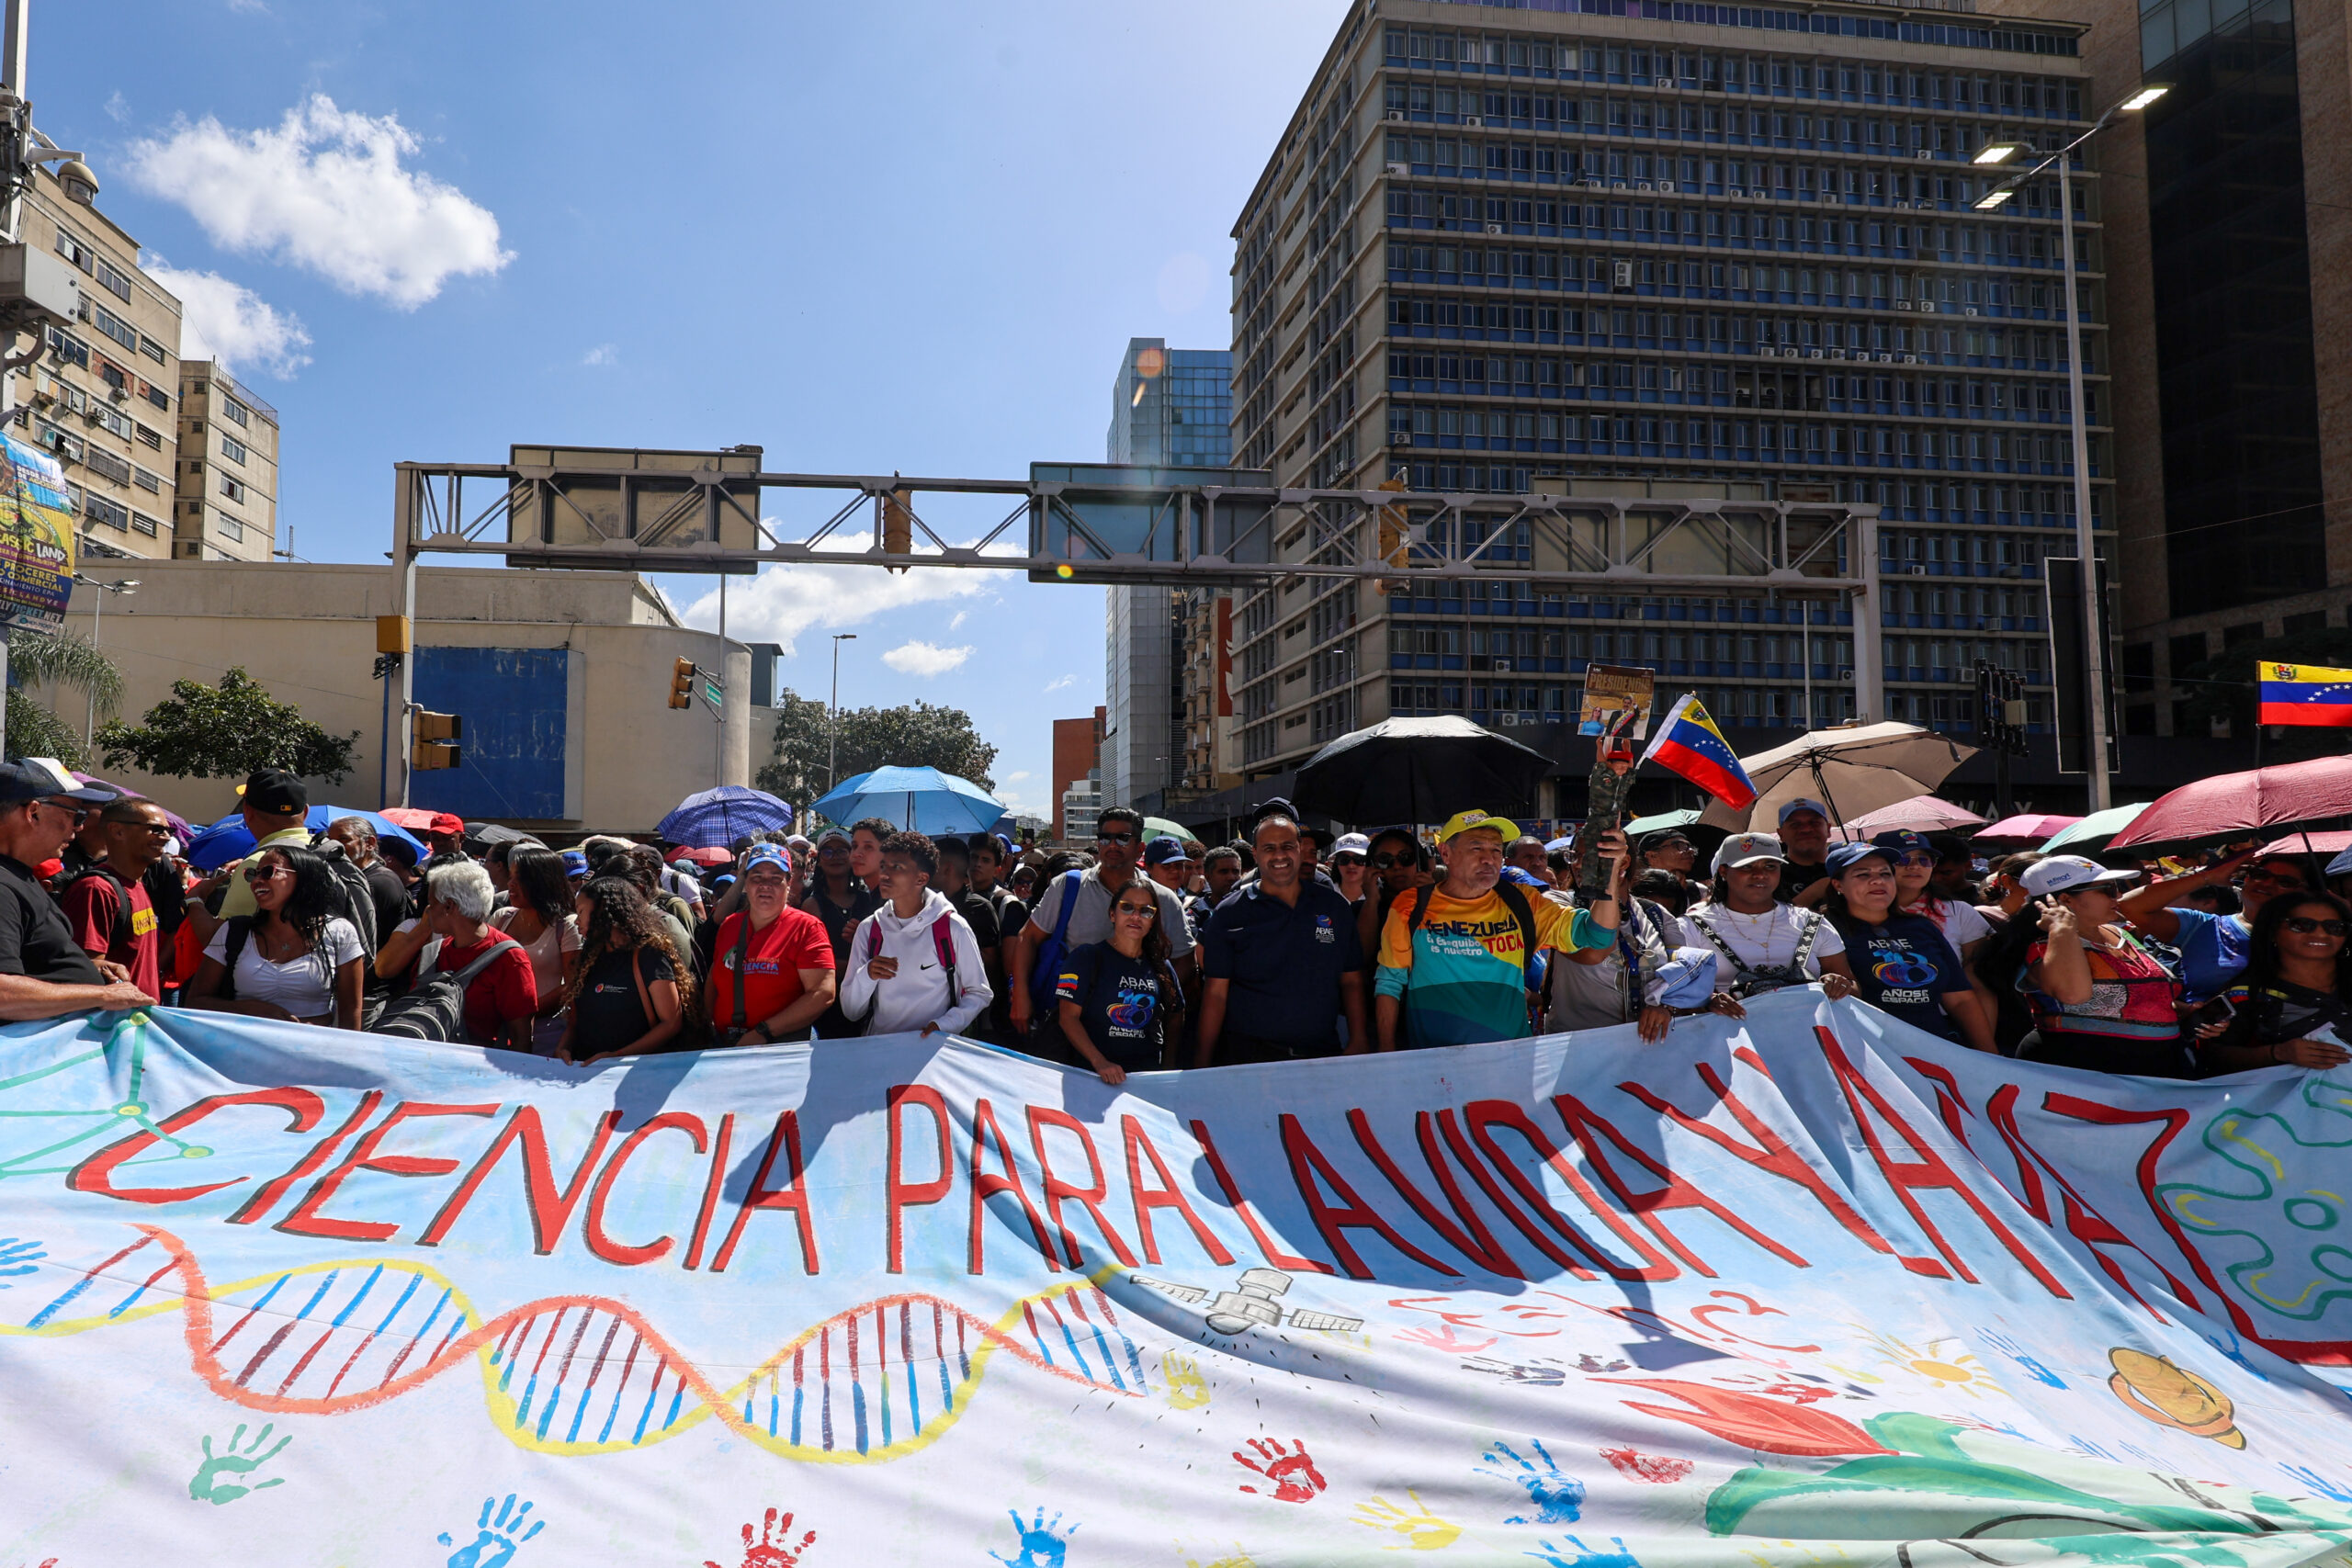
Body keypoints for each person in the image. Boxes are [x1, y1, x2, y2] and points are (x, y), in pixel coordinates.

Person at [1375, 809, 1616, 1051]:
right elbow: (1389, 984)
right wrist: (1386, 1056)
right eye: (1476, 848)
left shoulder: (1523, 902)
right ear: (1445, 853)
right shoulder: (1411, 905)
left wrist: (1609, 871)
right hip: (1434, 1064)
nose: (1488, 859)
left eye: (1496, 850)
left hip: (1510, 1063)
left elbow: (1596, 936)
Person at [1970, 854, 2188, 1077]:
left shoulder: (2121, 933)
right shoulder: (2044, 945)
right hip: (2085, 1070)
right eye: (2108, 889)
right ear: (2066, 900)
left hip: (2160, 1062)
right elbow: (2073, 994)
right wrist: (2062, 929)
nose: (2119, 896)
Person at [1008, 807, 1196, 1042]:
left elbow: (1186, 961)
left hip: (1133, 1025)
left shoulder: (1164, 899)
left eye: (1123, 838)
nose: (1113, 844)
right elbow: (1028, 938)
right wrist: (1021, 995)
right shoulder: (1068, 886)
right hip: (1070, 1023)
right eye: (1105, 837)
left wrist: (1149, 994)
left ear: (1140, 848)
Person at [1195, 812, 1368, 1065]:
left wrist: (1359, 1038)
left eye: (1287, 846)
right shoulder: (1230, 912)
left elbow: (1351, 981)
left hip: (1321, 1054)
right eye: (1269, 848)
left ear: (1299, 849)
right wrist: (1202, 1062)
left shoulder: (1334, 907)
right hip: (1249, 1059)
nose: (1279, 855)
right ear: (1255, 854)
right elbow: (1216, 994)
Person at [0, 760, 149, 1018]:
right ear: (33, 812)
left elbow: (32, 959)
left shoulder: (19, 875)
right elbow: (3, 994)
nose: (78, 827)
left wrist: (91, 968)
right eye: (74, 815)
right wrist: (102, 995)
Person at [1819, 841, 1995, 1051]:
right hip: (1870, 1054)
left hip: (1936, 1049)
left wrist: (1991, 1056)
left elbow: (1959, 999)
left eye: (1885, 874)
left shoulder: (1922, 926)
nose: (1877, 881)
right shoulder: (1823, 929)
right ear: (1838, 885)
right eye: (1863, 875)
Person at [190, 844, 365, 1030]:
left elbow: (351, 1010)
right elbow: (195, 1001)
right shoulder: (233, 931)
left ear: (304, 878)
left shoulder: (340, 932)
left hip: (311, 1051)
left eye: (268, 872)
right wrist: (245, 1009)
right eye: (252, 874)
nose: (256, 881)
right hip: (245, 1050)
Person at [1679, 832, 1856, 1012]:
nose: (1760, 875)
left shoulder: (1811, 922)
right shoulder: (1691, 927)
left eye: (1770, 866)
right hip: (1735, 1036)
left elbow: (1853, 988)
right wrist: (1708, 1002)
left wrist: (1839, 985)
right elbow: (1677, 996)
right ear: (1723, 871)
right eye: (1746, 867)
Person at [2120, 846, 2315, 1007]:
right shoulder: (2202, 925)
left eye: (2285, 882)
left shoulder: (2318, 934)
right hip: (2209, 1044)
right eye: (2260, 874)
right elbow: (2129, 906)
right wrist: (2208, 877)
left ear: (2304, 891)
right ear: (2246, 878)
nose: (2267, 883)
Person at [840, 831, 991, 1037]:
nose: (885, 874)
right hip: (879, 1053)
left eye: (897, 867)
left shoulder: (953, 927)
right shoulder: (869, 929)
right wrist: (867, 974)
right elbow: (851, 1012)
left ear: (921, 878)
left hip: (932, 1054)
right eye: (883, 865)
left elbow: (979, 992)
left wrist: (944, 1025)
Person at [2196, 891, 2352, 1076]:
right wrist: (2278, 1053)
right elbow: (2212, 1057)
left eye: (2334, 927)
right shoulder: (2242, 994)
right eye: (2302, 925)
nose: (2320, 934)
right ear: (2271, 931)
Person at [395, 859, 539, 1050]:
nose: (427, 911)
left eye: (431, 903)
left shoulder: (509, 958)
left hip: (481, 1071)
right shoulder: (433, 952)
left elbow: (521, 1036)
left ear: (449, 906)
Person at [1543, 829, 1674, 1038]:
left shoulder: (1656, 914)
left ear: (1623, 863)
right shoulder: (1556, 903)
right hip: (1579, 1049)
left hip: (1645, 1050)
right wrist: (1609, 881)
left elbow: (1682, 971)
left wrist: (1668, 1007)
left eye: (1590, 858)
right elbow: (1591, 952)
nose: (1577, 865)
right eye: (1574, 856)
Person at [707, 844, 837, 1045]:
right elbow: (714, 978)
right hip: (726, 1044)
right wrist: (707, 1023)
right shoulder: (730, 925)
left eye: (776, 878)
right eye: (757, 877)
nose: (765, 885)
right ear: (746, 883)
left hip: (780, 1045)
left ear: (789, 883)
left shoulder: (807, 928)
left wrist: (763, 1032)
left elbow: (823, 993)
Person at [1055, 881, 1182, 1083]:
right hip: (1091, 1077)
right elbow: (1068, 1017)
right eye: (1127, 907)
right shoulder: (1086, 957)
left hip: (1144, 1081)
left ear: (1153, 919)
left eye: (1146, 911)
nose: (1135, 916)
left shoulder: (1162, 967)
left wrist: (1166, 1070)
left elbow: (1176, 1016)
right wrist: (1100, 1063)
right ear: (1112, 914)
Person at [560, 877, 692, 1062]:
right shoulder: (587, 957)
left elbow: (671, 1022)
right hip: (585, 1075)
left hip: (634, 1076)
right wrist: (563, 1048)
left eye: (581, 912)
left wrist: (618, 1056)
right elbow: (575, 1023)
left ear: (603, 911)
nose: (576, 922)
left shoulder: (649, 955)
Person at [61, 796, 173, 1003]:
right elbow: (86, 970)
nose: (166, 838)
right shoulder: (96, 889)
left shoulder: (137, 883)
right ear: (117, 831)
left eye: (168, 830)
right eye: (156, 829)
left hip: (140, 1022)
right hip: (114, 1028)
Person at [190, 770, 315, 942]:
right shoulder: (325, 851)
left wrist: (195, 899)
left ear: (247, 812)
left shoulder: (257, 867)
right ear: (306, 811)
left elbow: (218, 940)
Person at [491, 846, 582, 1055]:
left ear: (542, 882)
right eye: (511, 877)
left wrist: (522, 1014)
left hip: (547, 1036)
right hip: (498, 1032)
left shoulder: (567, 926)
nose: (510, 884)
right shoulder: (501, 917)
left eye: (519, 879)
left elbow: (572, 986)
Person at [797, 828, 883, 1038]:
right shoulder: (812, 905)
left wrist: (862, 941)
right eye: (827, 852)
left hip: (868, 999)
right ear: (820, 860)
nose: (834, 857)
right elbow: (811, 963)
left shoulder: (869, 901)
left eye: (842, 851)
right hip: (829, 1003)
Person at [933, 834, 1003, 1035]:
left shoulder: (977, 907)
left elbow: (990, 963)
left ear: (947, 868)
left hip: (969, 1015)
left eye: (932, 864)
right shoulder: (926, 906)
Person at [326, 817, 412, 956]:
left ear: (369, 843)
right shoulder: (352, 878)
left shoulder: (380, 881)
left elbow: (358, 935)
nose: (334, 846)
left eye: (344, 839)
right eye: (330, 840)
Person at [1773, 798, 1835, 907]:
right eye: (1795, 825)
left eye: (1814, 823)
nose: (1806, 829)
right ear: (1781, 834)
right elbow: (1770, 920)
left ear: (1828, 829)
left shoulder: (1848, 868)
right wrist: (1814, 893)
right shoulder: (1773, 877)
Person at [1973, 852, 2041, 933]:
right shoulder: (1981, 917)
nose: (2047, 889)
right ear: (2007, 882)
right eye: (2036, 880)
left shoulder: (2047, 919)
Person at [1638, 829, 1706, 905]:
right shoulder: (1637, 895)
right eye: (1680, 846)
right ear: (1652, 856)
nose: (1690, 851)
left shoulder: (1699, 891)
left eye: (1689, 847)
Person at [849, 817, 896, 896]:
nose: (856, 853)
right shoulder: (869, 898)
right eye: (854, 846)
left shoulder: (898, 902)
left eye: (868, 847)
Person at [1327, 833, 1371, 906]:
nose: (1351, 865)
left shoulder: (1381, 896)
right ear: (1337, 863)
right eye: (1344, 859)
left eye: (1359, 859)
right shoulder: (1326, 894)